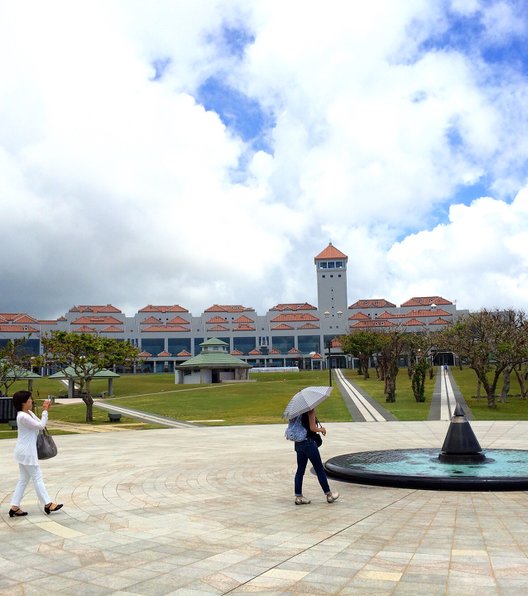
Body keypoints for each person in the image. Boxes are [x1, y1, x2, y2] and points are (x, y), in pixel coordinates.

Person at [8, 390, 63, 518]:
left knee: (23, 480)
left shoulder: (29, 413)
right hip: (26, 452)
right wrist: (45, 411)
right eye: (29, 399)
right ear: (23, 402)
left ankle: (14, 507)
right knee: (37, 477)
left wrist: (45, 411)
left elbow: (42, 425)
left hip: (25, 451)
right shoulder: (22, 416)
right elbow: (40, 425)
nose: (31, 401)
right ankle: (48, 504)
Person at [294, 408, 339, 505]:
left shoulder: (296, 412)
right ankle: (329, 495)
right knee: (319, 469)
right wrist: (321, 429)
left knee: (300, 470)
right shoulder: (310, 410)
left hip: (298, 443)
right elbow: (312, 428)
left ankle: (298, 497)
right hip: (309, 443)